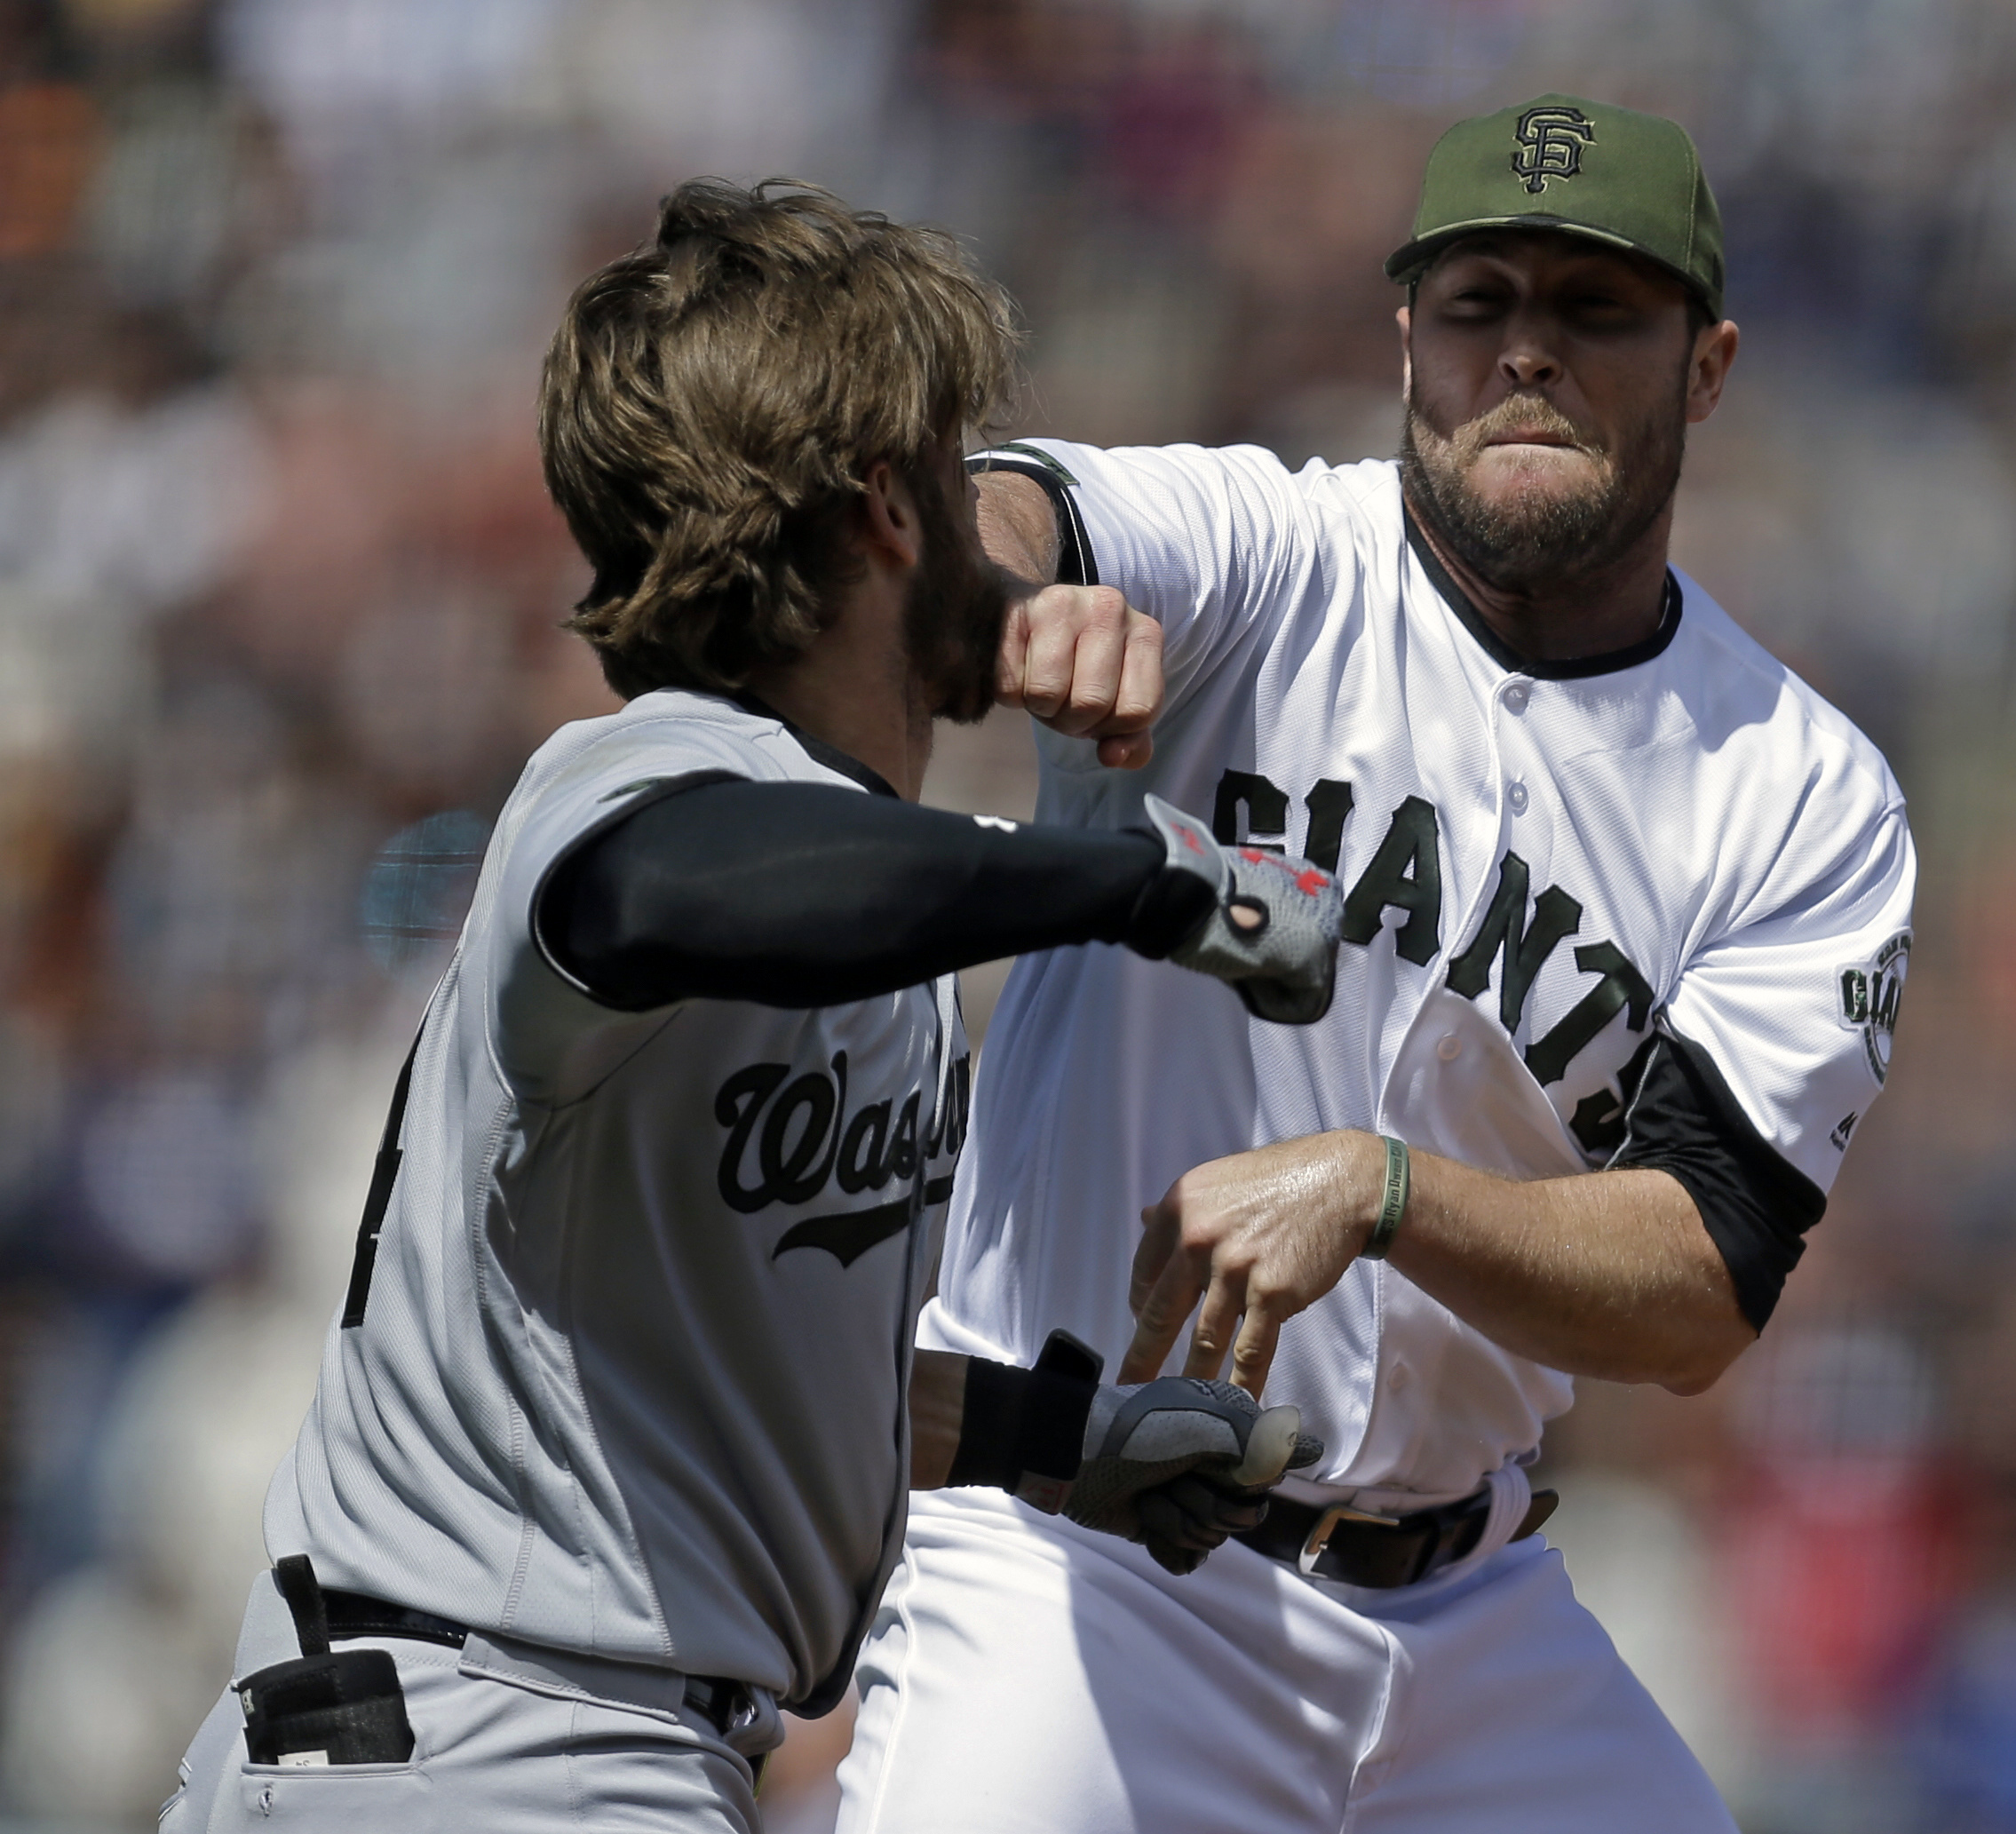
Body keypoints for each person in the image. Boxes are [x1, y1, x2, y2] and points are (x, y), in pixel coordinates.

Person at [156, 179, 1343, 1834]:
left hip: (551, 1743)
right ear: (886, 510)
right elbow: (681, 886)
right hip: (482, 1733)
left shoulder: (851, 892)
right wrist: (1146, 882)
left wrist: (1066, 1435)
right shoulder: (644, 778)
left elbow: (738, 1380)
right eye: (954, 466)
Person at [835, 94, 1917, 1832]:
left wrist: (1390, 1188)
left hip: (1472, 1614)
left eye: (1596, 310)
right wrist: (1022, 589)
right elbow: (1017, 506)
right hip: (1082, 1562)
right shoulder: (1276, 563)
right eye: (1481, 302)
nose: (1529, 355)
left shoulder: (1797, 787)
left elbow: (1702, 1281)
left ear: (1707, 368)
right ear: (1410, 334)